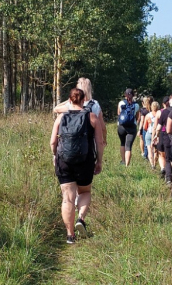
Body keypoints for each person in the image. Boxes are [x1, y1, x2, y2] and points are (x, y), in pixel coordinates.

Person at [50, 88, 106, 244]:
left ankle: (70, 235)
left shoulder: (61, 117)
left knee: (67, 198)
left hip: (64, 161)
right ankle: (81, 219)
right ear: (84, 100)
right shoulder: (92, 117)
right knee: (85, 191)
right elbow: (99, 143)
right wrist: (99, 161)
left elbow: (53, 142)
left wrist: (56, 156)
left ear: (69, 100)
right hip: (85, 161)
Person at [53, 78, 106, 146]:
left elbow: (55, 109)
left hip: (71, 143)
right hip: (89, 143)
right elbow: (103, 127)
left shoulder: (72, 104)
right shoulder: (95, 104)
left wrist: (69, 100)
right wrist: (104, 139)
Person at [152, 95, 172, 185]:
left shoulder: (160, 112)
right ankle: (169, 171)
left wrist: (155, 136)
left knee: (161, 154)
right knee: (169, 156)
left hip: (162, 134)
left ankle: (162, 168)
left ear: (163, 104)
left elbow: (156, 127)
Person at [117, 88, 140, 166]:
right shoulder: (136, 105)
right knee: (128, 146)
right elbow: (137, 116)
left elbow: (119, 114)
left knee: (122, 143)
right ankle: (127, 165)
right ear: (133, 95)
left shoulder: (120, 103)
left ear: (125, 95)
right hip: (131, 127)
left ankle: (123, 161)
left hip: (121, 127)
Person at [145, 101, 160, 169]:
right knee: (156, 150)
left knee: (149, 150)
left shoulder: (148, 116)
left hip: (149, 133)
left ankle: (152, 165)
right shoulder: (160, 114)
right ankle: (155, 163)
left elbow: (145, 127)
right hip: (157, 134)